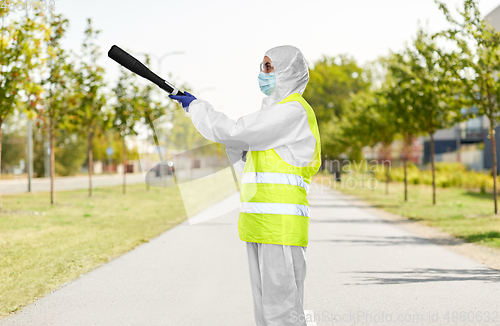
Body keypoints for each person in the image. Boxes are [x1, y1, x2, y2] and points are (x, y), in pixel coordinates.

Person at [169, 45, 321, 326]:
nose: (262, 73)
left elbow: (237, 131)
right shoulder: (274, 116)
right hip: (260, 225)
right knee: (266, 308)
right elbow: (241, 151)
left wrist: (198, 108)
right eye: (262, 66)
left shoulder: (292, 112)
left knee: (283, 310)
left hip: (281, 229)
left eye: (268, 67)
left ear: (287, 72)